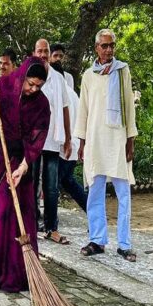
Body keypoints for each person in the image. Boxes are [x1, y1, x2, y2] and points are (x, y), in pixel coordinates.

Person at [0, 58, 50, 292]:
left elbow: (37, 141)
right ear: (23, 75)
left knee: (20, 216)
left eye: (38, 86)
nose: (33, 90)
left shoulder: (42, 104)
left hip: (21, 161)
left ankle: (20, 272)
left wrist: (23, 167)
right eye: (30, 84)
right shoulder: (2, 86)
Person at [75, 28, 138, 262]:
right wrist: (81, 142)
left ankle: (124, 244)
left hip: (118, 138)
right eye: (104, 46)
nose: (109, 50)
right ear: (96, 48)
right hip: (95, 140)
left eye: (112, 45)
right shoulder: (88, 75)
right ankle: (97, 240)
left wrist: (130, 139)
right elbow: (83, 110)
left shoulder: (123, 71)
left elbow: (130, 108)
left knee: (123, 192)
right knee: (95, 191)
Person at [31, 39, 72, 243]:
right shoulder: (27, 75)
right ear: (34, 52)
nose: (43, 54)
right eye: (40, 51)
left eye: (46, 51)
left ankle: (51, 228)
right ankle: (30, 226)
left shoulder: (57, 78)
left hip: (52, 139)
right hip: (32, 140)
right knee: (31, 185)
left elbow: (65, 107)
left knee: (51, 186)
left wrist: (68, 137)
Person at [51, 61, 88, 212]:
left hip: (63, 148)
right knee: (68, 181)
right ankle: (93, 214)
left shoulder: (60, 94)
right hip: (73, 147)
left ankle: (50, 222)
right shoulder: (72, 93)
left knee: (52, 185)